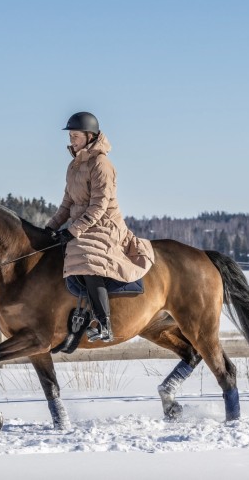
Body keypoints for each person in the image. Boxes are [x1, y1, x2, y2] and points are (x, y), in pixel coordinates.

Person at [46, 112, 154, 342]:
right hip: (84, 224)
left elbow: (99, 205)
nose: (71, 140)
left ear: (89, 136)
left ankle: (104, 324)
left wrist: (73, 230)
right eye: (71, 136)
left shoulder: (101, 164)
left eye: (75, 136)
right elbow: (67, 203)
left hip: (104, 224)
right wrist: (50, 228)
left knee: (88, 260)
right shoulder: (74, 165)